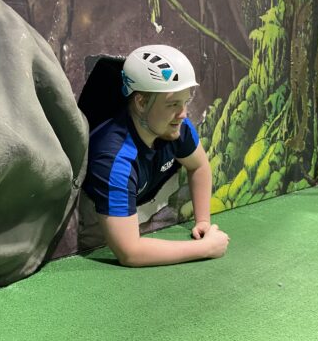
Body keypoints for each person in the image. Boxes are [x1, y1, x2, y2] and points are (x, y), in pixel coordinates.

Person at [81, 44, 230, 267]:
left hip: (138, 203)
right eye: (172, 104)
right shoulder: (114, 159)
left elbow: (199, 166)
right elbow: (130, 252)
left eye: (185, 102)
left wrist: (203, 221)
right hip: (97, 221)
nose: (183, 114)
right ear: (141, 102)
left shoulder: (176, 127)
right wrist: (206, 248)